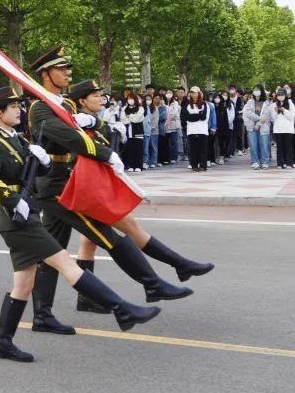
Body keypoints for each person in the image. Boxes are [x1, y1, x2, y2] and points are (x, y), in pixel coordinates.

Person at [0, 85, 160, 361]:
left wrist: (42, 161)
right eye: (13, 107)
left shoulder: (16, 138)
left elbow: (35, 171)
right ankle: (122, 309)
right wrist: (13, 201)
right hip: (16, 220)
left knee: (23, 283)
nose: (19, 111)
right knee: (66, 264)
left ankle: (3, 343)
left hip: (25, 215)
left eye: (19, 106)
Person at [26, 46, 191, 335]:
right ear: (46, 74)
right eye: (61, 69)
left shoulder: (63, 105)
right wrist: (104, 153)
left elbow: (86, 127)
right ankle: (152, 285)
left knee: (51, 252)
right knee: (108, 235)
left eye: (67, 68)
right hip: (54, 186)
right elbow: (69, 137)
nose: (67, 73)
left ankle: (42, 316)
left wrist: (95, 122)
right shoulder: (40, 107)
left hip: (62, 182)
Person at [67, 80, 214, 313]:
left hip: (95, 186)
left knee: (89, 242)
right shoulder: (76, 123)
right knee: (130, 228)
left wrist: (101, 124)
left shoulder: (94, 120)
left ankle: (86, 298)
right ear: (82, 101)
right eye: (95, 96)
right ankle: (174, 269)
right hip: (88, 188)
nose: (101, 99)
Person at [243, 84, 272, 169]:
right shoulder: (250, 102)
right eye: (255, 89)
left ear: (261, 91)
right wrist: (258, 118)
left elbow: (266, 115)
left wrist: (258, 124)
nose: (256, 91)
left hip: (263, 126)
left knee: (264, 144)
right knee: (253, 145)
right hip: (252, 126)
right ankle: (255, 161)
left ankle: (264, 161)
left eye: (258, 89)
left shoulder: (266, 103)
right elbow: (248, 113)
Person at [272, 88, 295, 169]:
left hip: (288, 129)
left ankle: (289, 163)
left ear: (285, 95)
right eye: (279, 95)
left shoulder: (290, 103)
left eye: (282, 95)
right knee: (279, 147)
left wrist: (284, 110)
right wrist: (275, 111)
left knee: (288, 147)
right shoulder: (274, 104)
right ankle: (280, 163)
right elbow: (273, 118)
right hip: (278, 129)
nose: (280, 96)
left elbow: (292, 116)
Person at [121, 93, 145, 172]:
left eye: (131, 98)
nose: (130, 100)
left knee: (138, 148)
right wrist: (131, 117)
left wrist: (129, 117)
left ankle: (138, 166)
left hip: (138, 131)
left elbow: (137, 119)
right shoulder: (125, 108)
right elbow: (123, 119)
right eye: (128, 98)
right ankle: (131, 165)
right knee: (130, 149)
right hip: (128, 131)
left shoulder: (140, 108)